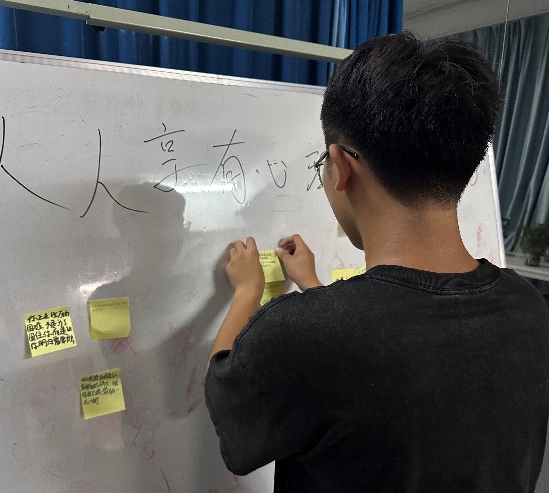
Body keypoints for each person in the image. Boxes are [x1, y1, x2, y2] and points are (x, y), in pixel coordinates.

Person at [204, 32, 549, 492]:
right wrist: (313, 287)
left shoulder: (300, 336)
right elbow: (387, 352)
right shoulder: (527, 308)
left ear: (340, 165)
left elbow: (227, 402)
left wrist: (248, 291)